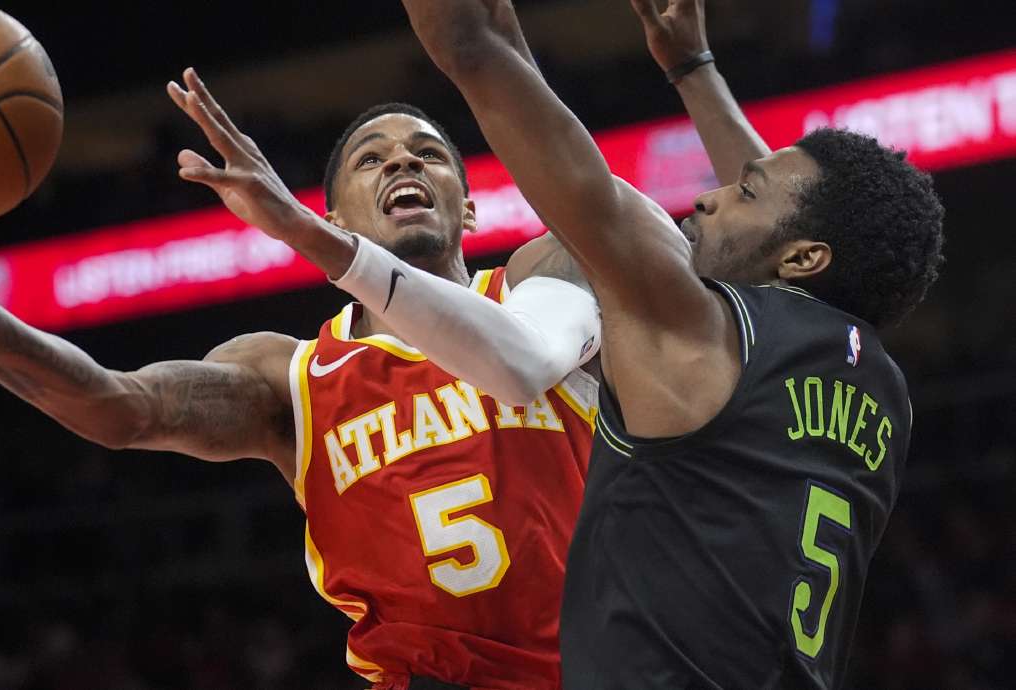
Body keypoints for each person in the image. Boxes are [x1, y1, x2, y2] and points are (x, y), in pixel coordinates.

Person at [0, 66, 601, 688]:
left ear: (468, 210)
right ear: (335, 219)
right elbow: (114, 406)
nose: (403, 160)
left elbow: (525, 360)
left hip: (612, 664)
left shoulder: (539, 283)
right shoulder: (289, 378)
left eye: (429, 153)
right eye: (371, 158)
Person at [398, 0, 946, 688]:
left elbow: (472, 44)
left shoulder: (694, 327)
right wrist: (693, 68)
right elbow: (800, 220)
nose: (710, 198)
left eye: (742, 193)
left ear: (806, 259)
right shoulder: (882, 389)